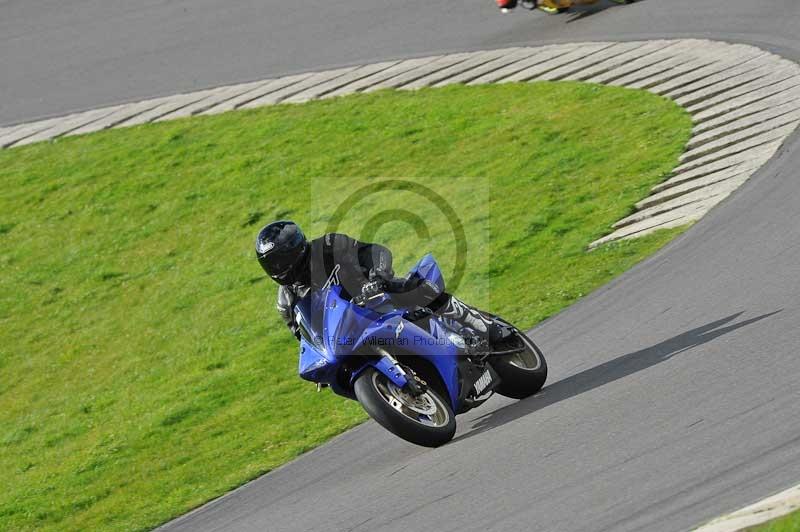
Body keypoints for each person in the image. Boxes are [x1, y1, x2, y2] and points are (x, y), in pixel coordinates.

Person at [255, 220, 508, 347]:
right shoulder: (286, 301)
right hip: (351, 334)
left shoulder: (328, 247)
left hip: (376, 297)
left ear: (295, 249)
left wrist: (379, 275)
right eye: (272, 264)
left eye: (281, 260)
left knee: (412, 287)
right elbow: (304, 337)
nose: (279, 268)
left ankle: (480, 323)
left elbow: (372, 251)